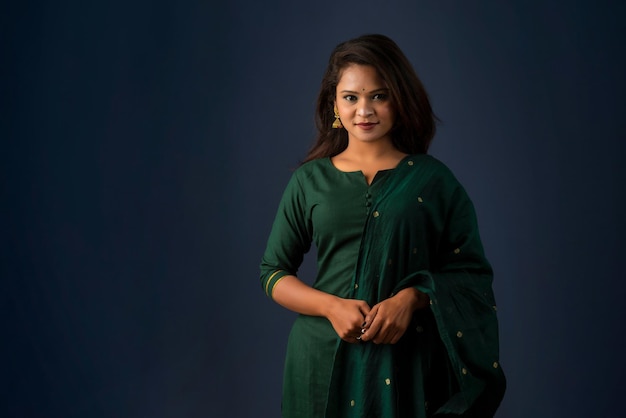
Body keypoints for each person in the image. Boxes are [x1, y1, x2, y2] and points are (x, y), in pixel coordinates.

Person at [260, 34, 505, 418]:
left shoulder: (432, 181)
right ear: (334, 105)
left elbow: (470, 274)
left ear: (399, 100)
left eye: (379, 95)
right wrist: (332, 307)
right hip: (320, 360)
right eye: (351, 97)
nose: (364, 110)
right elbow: (273, 272)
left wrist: (412, 297)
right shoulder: (309, 181)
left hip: (406, 362)